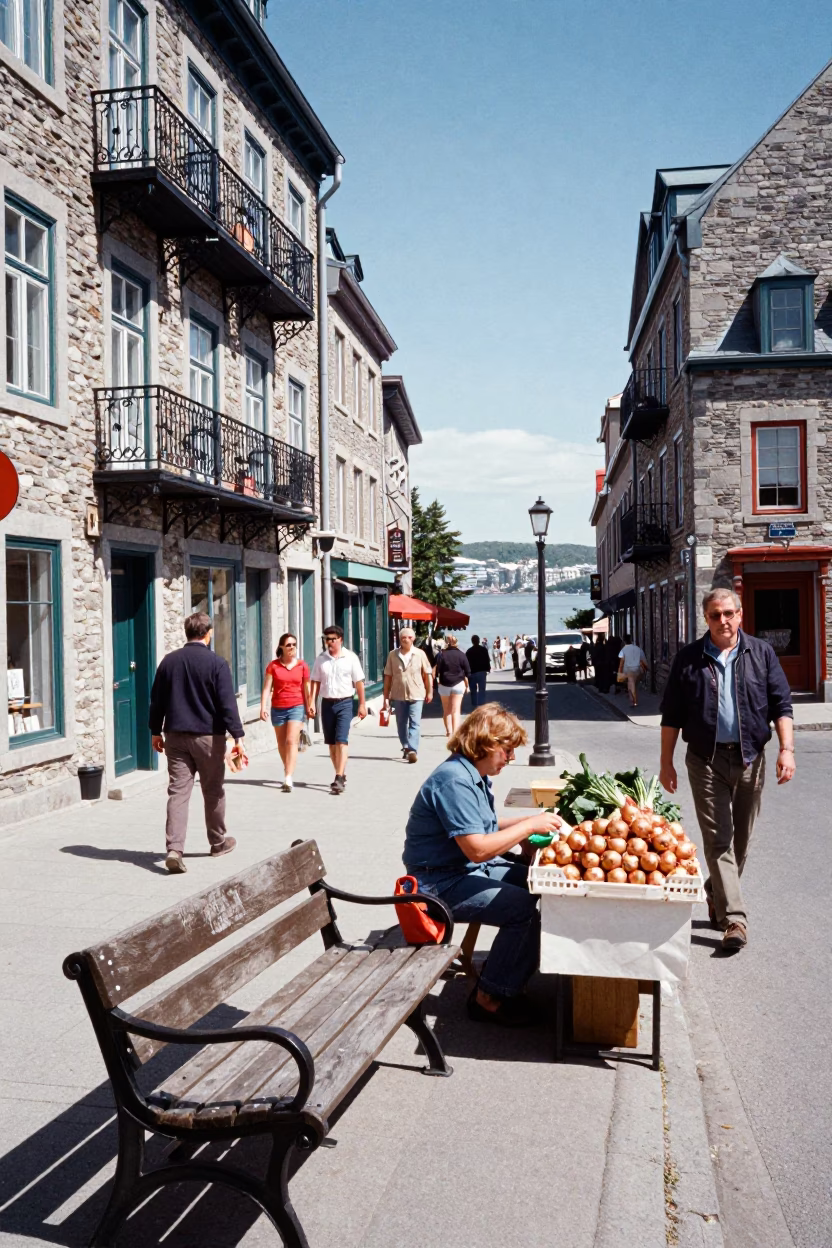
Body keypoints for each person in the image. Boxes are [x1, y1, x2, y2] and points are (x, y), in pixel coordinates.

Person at [403, 703, 561, 1026]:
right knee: (522, 909)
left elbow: (485, 825)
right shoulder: (455, 781)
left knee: (538, 881)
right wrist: (528, 827)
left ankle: (506, 972)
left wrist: (523, 827)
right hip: (438, 883)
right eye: (507, 750)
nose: (511, 758)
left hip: (461, 870)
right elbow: (477, 849)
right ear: (487, 744)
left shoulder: (471, 773)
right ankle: (489, 997)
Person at [659, 587, 794, 952]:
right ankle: (735, 920)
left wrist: (787, 749)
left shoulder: (761, 653)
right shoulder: (689, 659)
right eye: (716, 615)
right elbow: (671, 716)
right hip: (704, 759)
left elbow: (782, 705)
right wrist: (665, 762)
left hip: (751, 757)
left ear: (740, 615)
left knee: (742, 840)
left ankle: (714, 892)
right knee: (719, 840)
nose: (723, 621)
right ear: (706, 618)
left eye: (729, 613)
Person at [149, 611, 244, 874]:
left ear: (186, 633)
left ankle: (174, 849)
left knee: (178, 792)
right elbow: (227, 704)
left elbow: (157, 700)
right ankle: (217, 842)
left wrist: (156, 731)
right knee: (213, 790)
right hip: (208, 738)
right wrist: (238, 736)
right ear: (208, 634)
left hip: (176, 736)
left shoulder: (169, 662)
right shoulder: (216, 663)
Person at [309, 625, 367, 794]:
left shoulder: (351, 658)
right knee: (332, 744)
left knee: (342, 740)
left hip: (345, 703)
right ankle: (339, 773)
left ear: (340, 639)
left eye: (333, 639)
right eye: (327, 639)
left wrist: (362, 704)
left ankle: (339, 777)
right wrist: (311, 702)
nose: (329, 642)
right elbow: (315, 681)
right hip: (327, 703)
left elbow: (359, 682)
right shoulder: (321, 659)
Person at [259, 633, 312, 791]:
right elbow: (267, 688)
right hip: (278, 708)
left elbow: (306, 687)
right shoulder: (273, 666)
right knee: (282, 744)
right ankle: (287, 769)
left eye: (294, 644)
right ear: (281, 647)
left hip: (296, 706)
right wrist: (263, 707)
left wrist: (310, 705)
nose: (292, 648)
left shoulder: (302, 665)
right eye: (288, 645)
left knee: (291, 741)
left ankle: (288, 778)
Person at [382, 627, 433, 763]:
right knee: (401, 723)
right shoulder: (393, 655)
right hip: (398, 694)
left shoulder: (420, 654)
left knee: (415, 723)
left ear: (413, 639)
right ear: (400, 639)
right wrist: (385, 697)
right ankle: (405, 746)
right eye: (404, 637)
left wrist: (430, 691)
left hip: (417, 693)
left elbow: (427, 674)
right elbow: (387, 676)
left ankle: (412, 749)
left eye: (409, 637)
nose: (406, 639)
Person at [433, 635, 471, 737]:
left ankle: (448, 731)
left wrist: (437, 681)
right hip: (458, 684)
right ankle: (455, 732)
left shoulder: (441, 655)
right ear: (457, 642)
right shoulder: (461, 655)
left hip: (444, 684)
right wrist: (467, 684)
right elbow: (468, 671)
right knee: (456, 710)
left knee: (446, 710)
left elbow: (436, 671)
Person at [618, 633, 648, 707]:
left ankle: (633, 701)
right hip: (638, 669)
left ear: (624, 641)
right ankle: (634, 700)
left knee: (630, 684)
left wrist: (620, 672)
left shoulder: (623, 650)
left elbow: (621, 662)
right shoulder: (638, 649)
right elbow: (643, 660)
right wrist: (646, 668)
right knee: (634, 684)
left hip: (629, 669)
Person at [465, 633, 491, 708]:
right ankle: (481, 704)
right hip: (482, 672)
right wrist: (488, 668)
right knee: (482, 689)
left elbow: (467, 663)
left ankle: (474, 705)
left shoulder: (469, 651)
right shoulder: (483, 650)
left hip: (472, 672)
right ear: (479, 641)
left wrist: (466, 673)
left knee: (473, 690)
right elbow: (487, 660)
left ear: (472, 641)